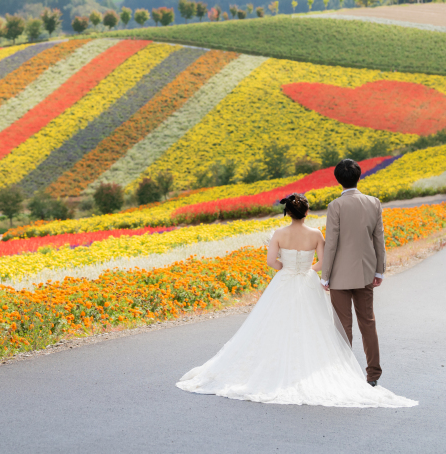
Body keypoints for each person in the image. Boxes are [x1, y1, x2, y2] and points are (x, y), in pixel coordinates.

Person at [176, 190, 416, 408]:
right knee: (315, 326)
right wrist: (309, 269)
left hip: (285, 280)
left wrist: (285, 267)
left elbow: (271, 262)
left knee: (274, 325)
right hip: (307, 280)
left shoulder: (279, 233)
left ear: (287, 212)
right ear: (307, 212)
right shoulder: (315, 234)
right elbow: (324, 261)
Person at [320, 159, 386, 387]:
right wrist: (380, 270)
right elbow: (379, 240)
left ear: (338, 179)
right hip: (366, 271)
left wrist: (325, 275)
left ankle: (344, 374)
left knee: (342, 327)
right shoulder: (374, 203)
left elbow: (331, 244)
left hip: (339, 275)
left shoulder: (335, 206)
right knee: (368, 322)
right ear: (359, 176)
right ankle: (373, 374)